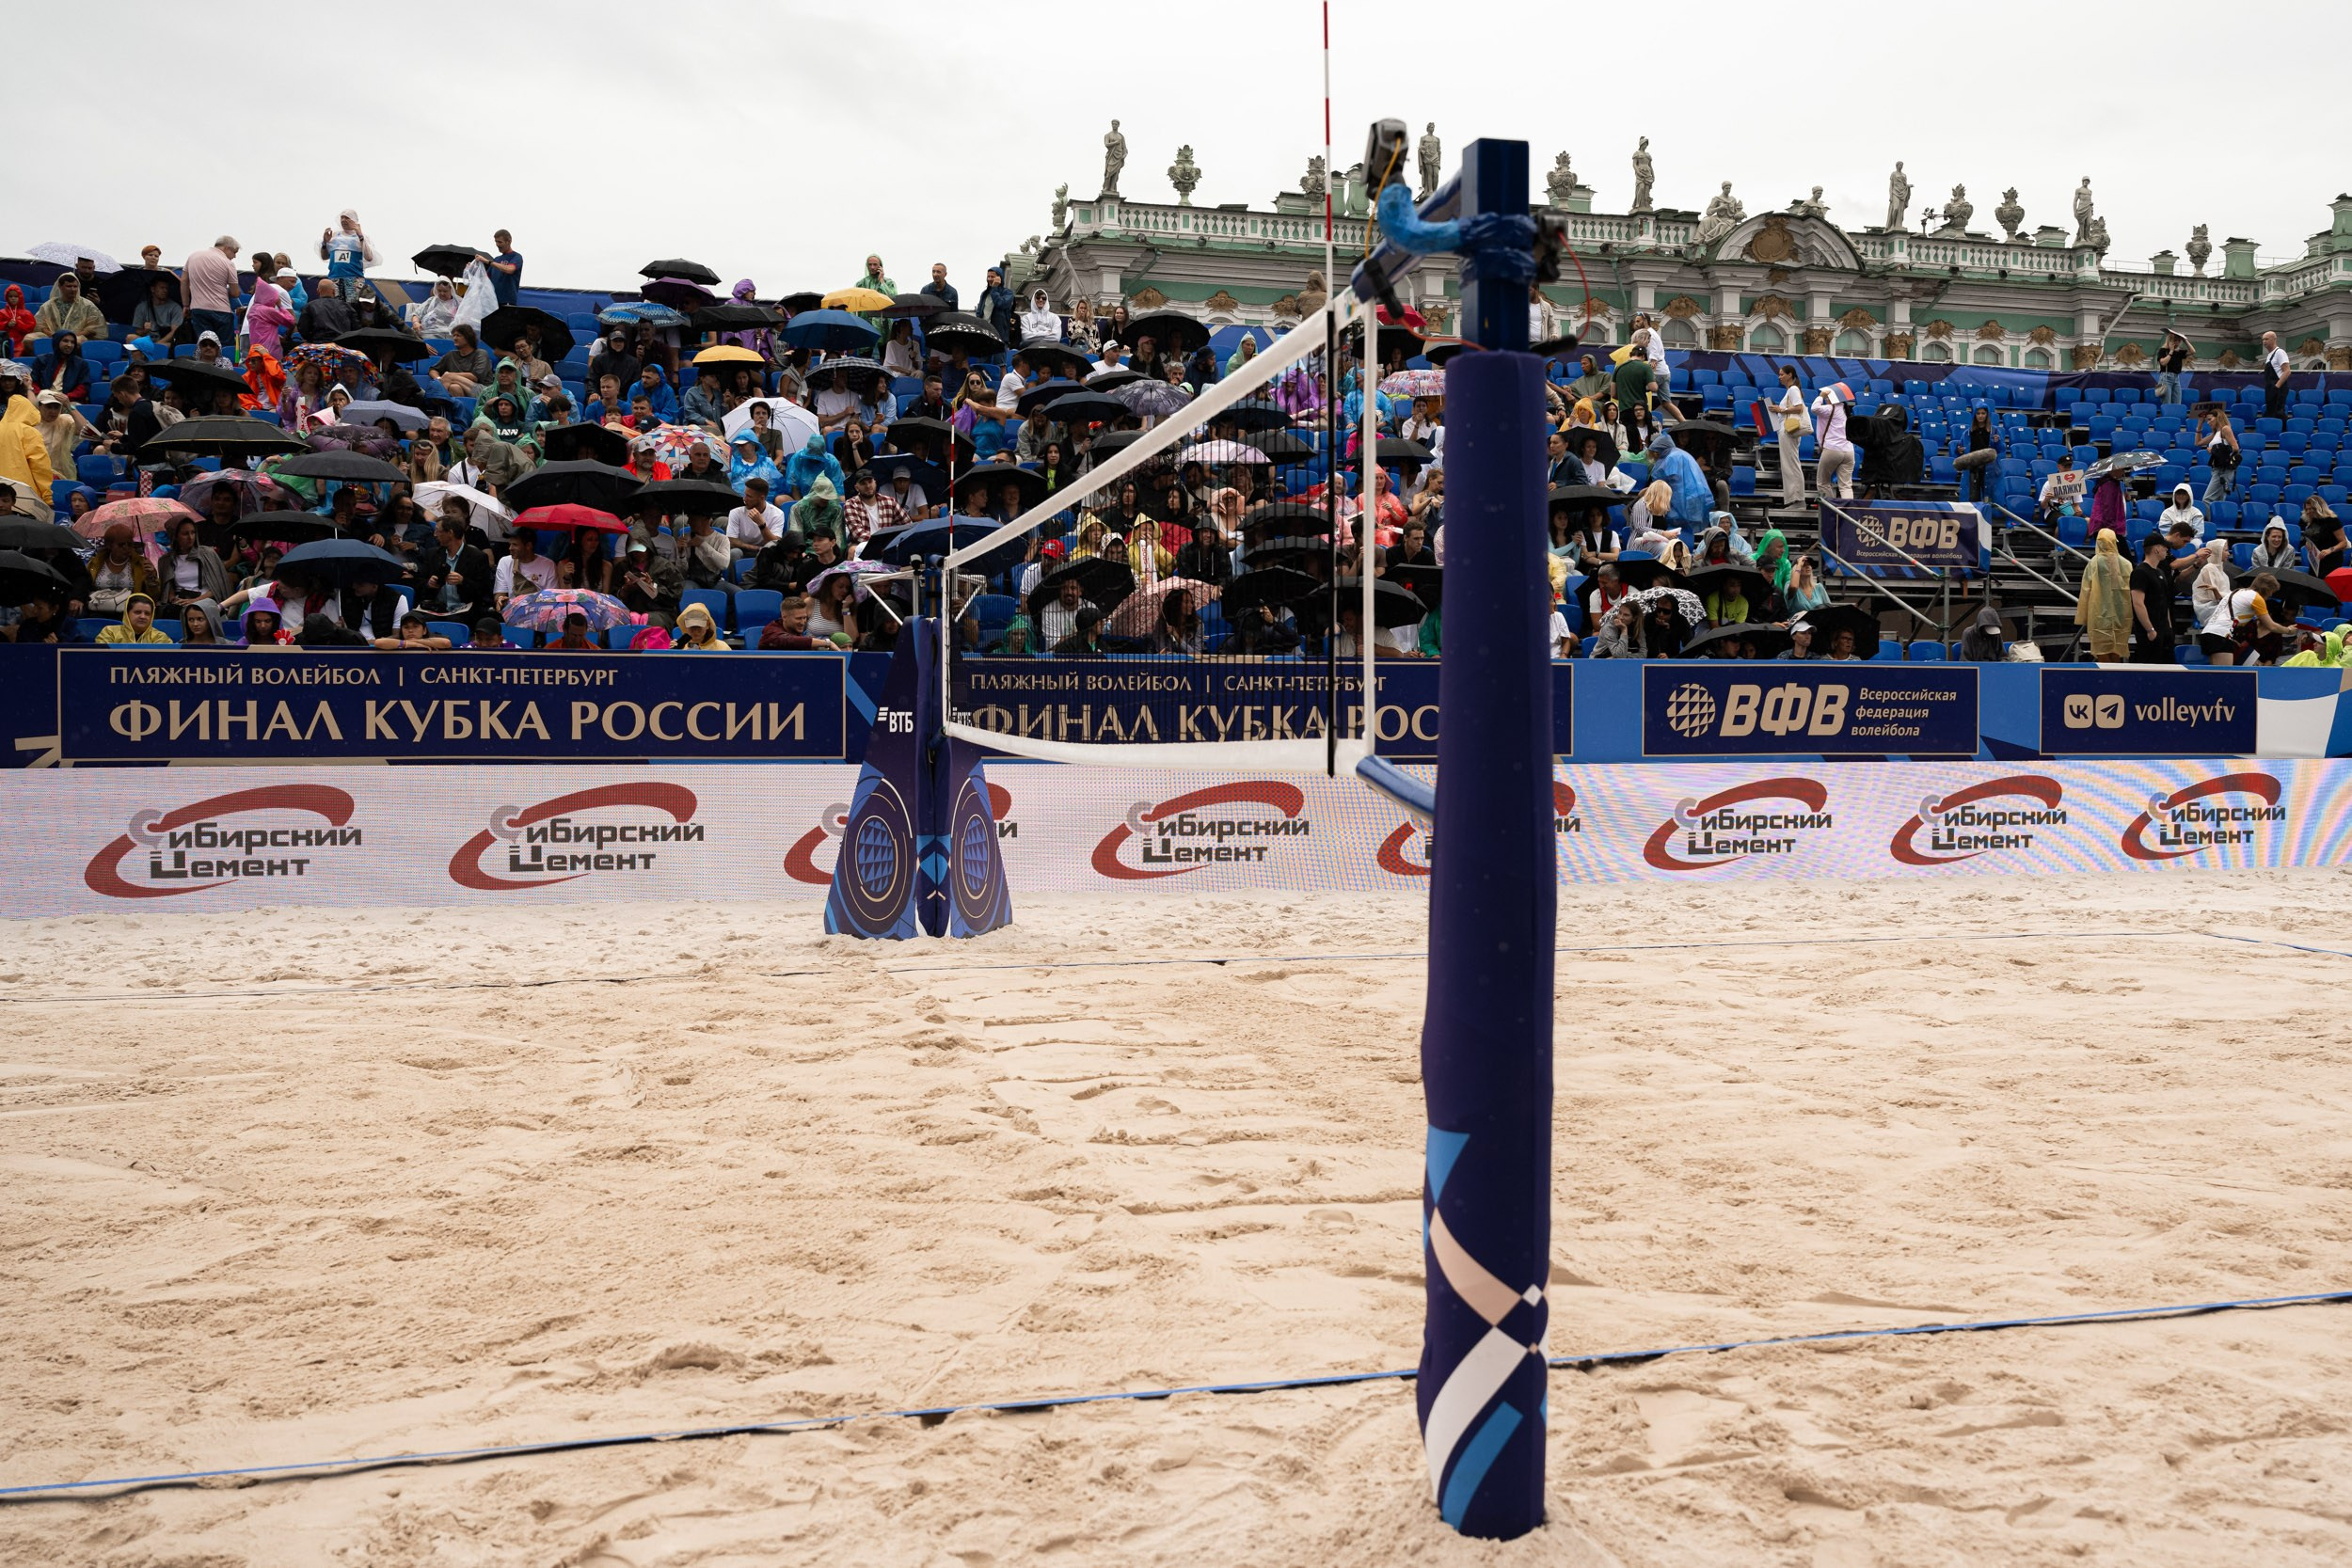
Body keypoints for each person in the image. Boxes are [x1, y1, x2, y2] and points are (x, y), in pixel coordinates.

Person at [2208, 570, 2296, 666]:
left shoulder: (2238, 592)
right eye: (2271, 592)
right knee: (2225, 676)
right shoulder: (2256, 598)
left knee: (2216, 675)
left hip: (2209, 633)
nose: (2271, 595)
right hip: (2222, 636)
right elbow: (2272, 626)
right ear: (2266, 589)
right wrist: (2288, 630)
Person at [2074, 529, 2133, 662]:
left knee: (2101, 649)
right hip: (2121, 613)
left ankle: (2107, 678)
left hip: (2099, 613)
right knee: (2116, 649)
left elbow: (2086, 590)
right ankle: (2115, 679)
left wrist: (2082, 616)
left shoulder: (2094, 563)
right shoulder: (2126, 564)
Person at [157, 518, 230, 609]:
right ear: (175, 536)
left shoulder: (207, 554)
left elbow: (218, 587)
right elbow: (168, 587)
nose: (190, 537)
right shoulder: (166, 560)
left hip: (207, 603)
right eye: (185, 534)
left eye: (193, 532)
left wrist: (195, 601)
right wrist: (174, 599)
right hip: (180, 604)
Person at [1645, 432, 1711, 527]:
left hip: (1678, 503)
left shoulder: (1670, 458)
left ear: (1657, 452)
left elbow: (1662, 484)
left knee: (1674, 533)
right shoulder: (1682, 454)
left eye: (1655, 455)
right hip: (1693, 500)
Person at [2127, 533, 2175, 664]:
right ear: (2157, 549)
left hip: (2164, 630)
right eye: (2165, 548)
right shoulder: (2140, 572)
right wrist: (2150, 629)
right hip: (2150, 632)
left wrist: (2169, 627)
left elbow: (2164, 601)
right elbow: (2138, 603)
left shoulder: (2160, 572)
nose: (2167, 550)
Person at [1810, 382, 1855, 501]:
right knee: (1846, 486)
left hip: (1832, 449)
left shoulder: (1830, 409)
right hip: (1849, 451)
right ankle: (1849, 511)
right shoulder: (1846, 411)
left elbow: (1814, 408)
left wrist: (1821, 396)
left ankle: (1830, 510)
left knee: (1823, 482)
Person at [1772, 364, 1807, 506]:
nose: (1779, 377)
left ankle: (1797, 499)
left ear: (1790, 375)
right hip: (1785, 429)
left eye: (1782, 374)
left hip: (1788, 430)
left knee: (1791, 464)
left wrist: (1780, 409)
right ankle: (1794, 498)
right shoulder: (1791, 390)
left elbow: (1798, 408)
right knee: (1789, 464)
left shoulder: (1793, 389)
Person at [33, 273, 104, 341]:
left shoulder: (87, 305)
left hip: (77, 338)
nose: (73, 289)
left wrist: (71, 337)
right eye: (69, 286)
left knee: (78, 342)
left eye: (75, 286)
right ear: (60, 286)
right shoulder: (49, 305)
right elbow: (40, 325)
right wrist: (53, 336)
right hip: (52, 337)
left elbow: (94, 328)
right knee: (29, 340)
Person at [494, 529, 556, 608]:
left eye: (515, 545)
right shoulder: (504, 562)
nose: (510, 548)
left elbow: (553, 597)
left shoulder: (548, 565)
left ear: (528, 546)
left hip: (540, 612)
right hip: (513, 611)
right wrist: (500, 599)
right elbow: (499, 593)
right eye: (510, 544)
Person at [96, 593, 175, 646]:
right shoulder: (110, 632)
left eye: (147, 613)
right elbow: (103, 658)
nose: (143, 617)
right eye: (138, 612)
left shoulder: (160, 637)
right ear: (127, 614)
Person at [2201, 407, 2242, 507]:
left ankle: (2210, 522)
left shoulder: (2225, 429)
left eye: (2210, 419)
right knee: (2219, 502)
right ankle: (2217, 521)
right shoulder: (2216, 433)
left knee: (2207, 500)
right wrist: (2199, 425)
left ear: (2218, 417)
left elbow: (2235, 448)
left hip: (2224, 469)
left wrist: (2214, 450)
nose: (2208, 422)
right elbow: (2198, 442)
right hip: (2217, 468)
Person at [2302, 499, 2346, 578]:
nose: (2308, 512)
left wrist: (2329, 550)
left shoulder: (2332, 520)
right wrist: (2308, 544)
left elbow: (2344, 543)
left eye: (2311, 508)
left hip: (2331, 561)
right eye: (2307, 509)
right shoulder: (2312, 521)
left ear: (2319, 508)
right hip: (2317, 561)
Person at [480, 230, 523, 309]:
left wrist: (488, 262)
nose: (497, 245)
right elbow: (484, 278)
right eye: (496, 242)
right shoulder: (496, 259)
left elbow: (510, 269)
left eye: (500, 242)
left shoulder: (516, 257)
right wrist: (472, 269)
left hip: (507, 302)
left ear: (509, 241)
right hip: (492, 302)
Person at [2038, 451, 2086, 522]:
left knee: (2087, 521)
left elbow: (2076, 505)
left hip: (2070, 511)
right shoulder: (2049, 483)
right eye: (2065, 466)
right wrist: (2046, 499)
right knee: (2063, 520)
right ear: (2058, 466)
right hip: (2053, 512)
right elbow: (2043, 507)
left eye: (2069, 466)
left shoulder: (2075, 482)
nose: (2067, 468)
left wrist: (2078, 511)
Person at [373, 610, 452, 651]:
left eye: (415, 626)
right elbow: (378, 642)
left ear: (424, 630)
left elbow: (446, 643)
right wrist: (409, 644)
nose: (410, 630)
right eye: (406, 627)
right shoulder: (398, 639)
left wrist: (417, 641)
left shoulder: (432, 637)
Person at [2156, 482, 2204, 546]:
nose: (2181, 496)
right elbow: (2166, 532)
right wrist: (2177, 539)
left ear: (2189, 496)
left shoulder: (2196, 513)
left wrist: (2186, 539)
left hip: (2191, 539)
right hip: (2173, 539)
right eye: (2178, 494)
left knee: (2197, 543)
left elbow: (2198, 532)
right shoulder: (2167, 513)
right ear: (2174, 495)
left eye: (2184, 494)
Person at [2262, 329, 2290, 420]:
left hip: (2278, 388)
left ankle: (2285, 432)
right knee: (2270, 412)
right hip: (2270, 388)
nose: (2264, 341)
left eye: (2266, 339)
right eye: (2263, 340)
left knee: (2278, 412)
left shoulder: (2280, 352)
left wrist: (2277, 386)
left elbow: (2287, 371)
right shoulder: (2269, 355)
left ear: (2273, 339)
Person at [2156, 329, 2190, 405]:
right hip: (2165, 377)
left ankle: (2176, 416)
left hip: (2176, 378)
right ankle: (2167, 416)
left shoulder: (2178, 352)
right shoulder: (2163, 350)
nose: (2177, 342)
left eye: (2179, 341)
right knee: (2166, 402)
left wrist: (2185, 340)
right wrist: (2171, 352)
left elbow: (2192, 351)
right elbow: (2163, 363)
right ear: (2170, 341)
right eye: (2175, 340)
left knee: (2177, 402)